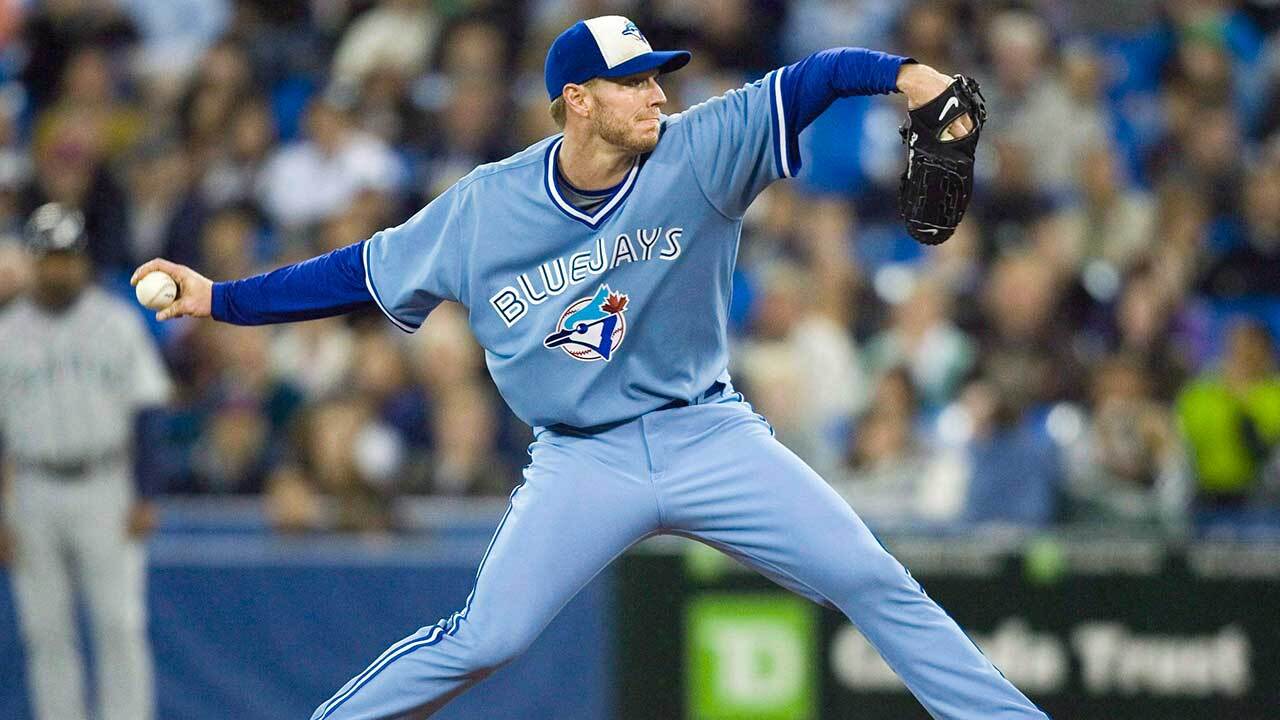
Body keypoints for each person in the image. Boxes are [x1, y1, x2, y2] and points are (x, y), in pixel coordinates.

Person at [132, 16, 1047, 720]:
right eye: (634, 81)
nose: (657, 94)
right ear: (577, 98)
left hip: (709, 433)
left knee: (871, 577)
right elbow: (354, 273)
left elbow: (811, 79)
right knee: (486, 637)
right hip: (582, 458)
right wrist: (219, 299)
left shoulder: (699, 148)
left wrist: (911, 78)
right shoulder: (485, 208)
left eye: (658, 77)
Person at [0, 203, 172, 720]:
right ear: (32, 262)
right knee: (45, 630)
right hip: (31, 487)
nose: (58, 269)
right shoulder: (6, 333)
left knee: (118, 625)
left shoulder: (116, 323)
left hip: (105, 483)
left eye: (66, 257)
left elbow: (147, 409)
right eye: (48, 258)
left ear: (83, 261)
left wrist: (144, 493)